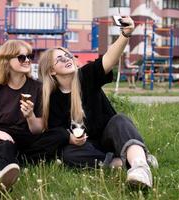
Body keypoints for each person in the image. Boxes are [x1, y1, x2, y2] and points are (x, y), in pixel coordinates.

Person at [38, 16, 157, 188]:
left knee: (120, 120)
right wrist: (70, 138)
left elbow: (108, 59)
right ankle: (123, 162)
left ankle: (140, 167)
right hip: (87, 148)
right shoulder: (52, 99)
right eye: (60, 59)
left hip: (110, 138)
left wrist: (125, 35)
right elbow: (56, 132)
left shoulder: (85, 75)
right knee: (67, 154)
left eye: (68, 55)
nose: (67, 59)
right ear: (51, 71)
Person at [0, 40, 69, 194]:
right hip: (3, 137)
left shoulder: (38, 87)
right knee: (4, 145)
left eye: (29, 56)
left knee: (59, 134)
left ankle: (8, 160)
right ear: (7, 61)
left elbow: (38, 129)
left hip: (28, 140)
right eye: (21, 57)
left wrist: (30, 116)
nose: (27, 60)